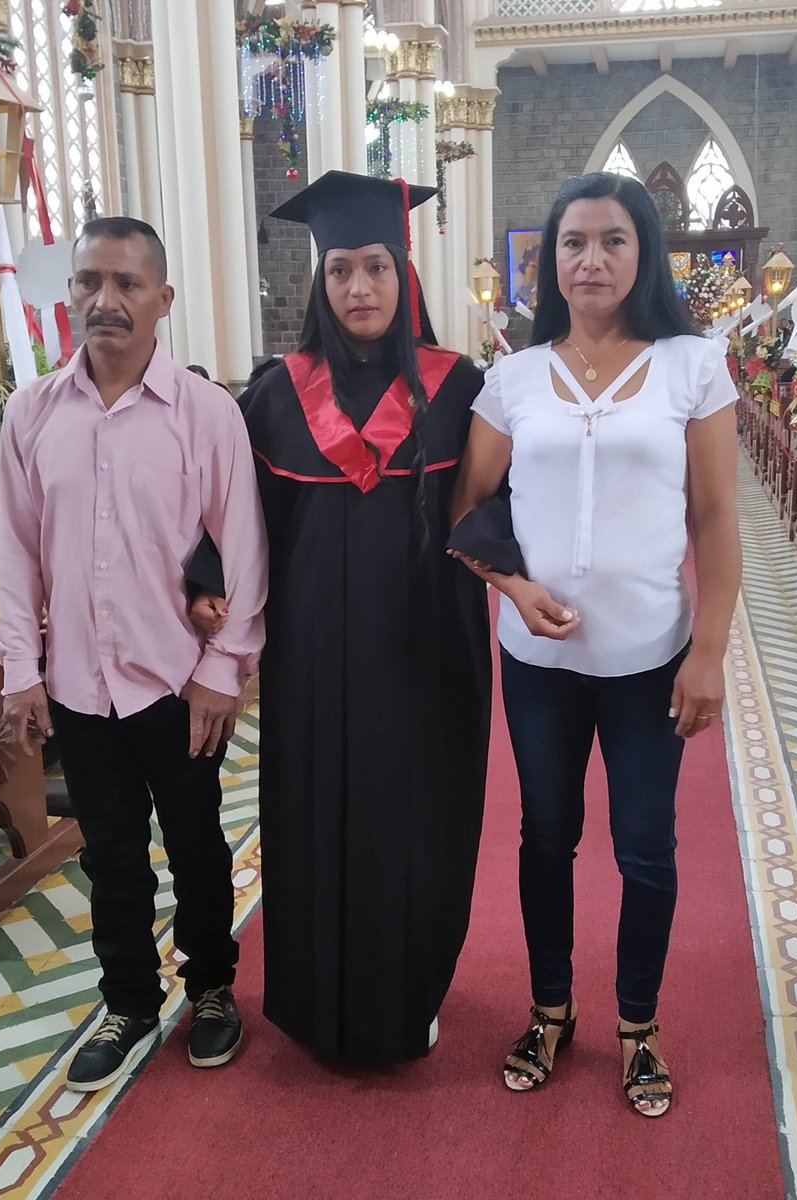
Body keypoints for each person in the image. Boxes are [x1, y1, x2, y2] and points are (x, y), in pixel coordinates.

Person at [449, 172, 741, 1119]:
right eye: (572, 242)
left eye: (614, 240)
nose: (591, 260)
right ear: (550, 263)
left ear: (644, 253)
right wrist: (515, 589)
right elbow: (466, 507)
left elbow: (715, 518)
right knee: (547, 836)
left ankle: (639, 1023)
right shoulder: (514, 377)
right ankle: (550, 1008)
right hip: (538, 663)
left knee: (646, 846)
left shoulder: (694, 365)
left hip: (649, 655)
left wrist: (708, 651)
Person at [189, 171, 491, 1065]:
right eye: (340, 271)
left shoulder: (457, 388)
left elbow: (495, 502)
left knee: (416, 818)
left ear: (405, 275)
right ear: (319, 284)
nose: (359, 288)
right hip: (314, 657)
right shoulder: (277, 395)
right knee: (312, 814)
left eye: (376, 268)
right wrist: (206, 581)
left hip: (426, 651)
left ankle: (410, 994)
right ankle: (317, 1007)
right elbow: (234, 516)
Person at [0, 216, 268, 1093]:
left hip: (177, 682)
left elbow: (244, 549)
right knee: (109, 853)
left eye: (126, 283)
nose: (104, 300)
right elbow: (16, 552)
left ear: (162, 299)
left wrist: (223, 669)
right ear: (70, 291)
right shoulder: (32, 413)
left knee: (196, 846)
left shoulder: (205, 413)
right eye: (88, 281)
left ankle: (212, 988)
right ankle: (128, 1000)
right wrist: (21, 670)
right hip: (79, 681)